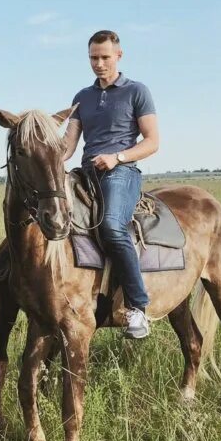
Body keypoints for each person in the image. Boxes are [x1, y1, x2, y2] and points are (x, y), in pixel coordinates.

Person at [62, 30, 159, 338]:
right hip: (86, 172)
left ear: (119, 55)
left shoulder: (137, 91)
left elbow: (153, 142)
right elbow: (69, 145)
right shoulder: (82, 97)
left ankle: (137, 308)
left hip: (121, 172)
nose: (99, 64)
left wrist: (117, 157)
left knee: (112, 229)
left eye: (105, 57)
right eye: (93, 58)